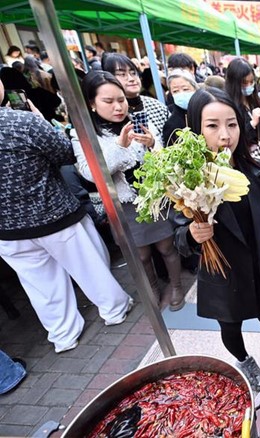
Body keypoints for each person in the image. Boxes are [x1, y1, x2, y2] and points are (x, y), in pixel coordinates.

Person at [0, 77, 133, 353]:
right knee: (89, 266)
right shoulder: (22, 122)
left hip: (7, 230)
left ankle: (63, 335)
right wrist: (38, 119)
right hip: (52, 214)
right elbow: (63, 153)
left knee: (39, 285)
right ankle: (114, 310)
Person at [173, 87, 260, 391]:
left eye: (232, 124)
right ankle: (245, 361)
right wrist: (191, 233)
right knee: (230, 324)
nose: (225, 135)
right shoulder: (186, 179)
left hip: (258, 261)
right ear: (195, 128)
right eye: (212, 126)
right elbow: (176, 235)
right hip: (221, 268)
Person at [71, 71, 185, 311]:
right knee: (141, 255)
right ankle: (151, 288)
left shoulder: (141, 121)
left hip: (155, 199)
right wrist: (121, 146)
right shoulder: (83, 134)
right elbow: (92, 174)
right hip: (124, 206)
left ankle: (176, 286)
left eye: (121, 100)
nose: (118, 107)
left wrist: (153, 144)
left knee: (167, 247)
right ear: (91, 103)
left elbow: (166, 161)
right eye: (108, 101)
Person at [225, 58, 260, 195]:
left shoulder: (255, 100)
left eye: (252, 82)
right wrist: (252, 124)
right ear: (234, 83)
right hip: (245, 161)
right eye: (245, 83)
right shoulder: (229, 106)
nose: (249, 86)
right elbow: (234, 139)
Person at [102, 53, 170, 144]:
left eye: (133, 73)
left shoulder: (157, 107)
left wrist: (153, 143)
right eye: (122, 74)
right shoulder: (110, 112)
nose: (131, 78)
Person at [162, 69, 199, 146]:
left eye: (185, 89)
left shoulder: (205, 112)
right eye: (175, 91)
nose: (181, 93)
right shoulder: (171, 124)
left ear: (195, 89)